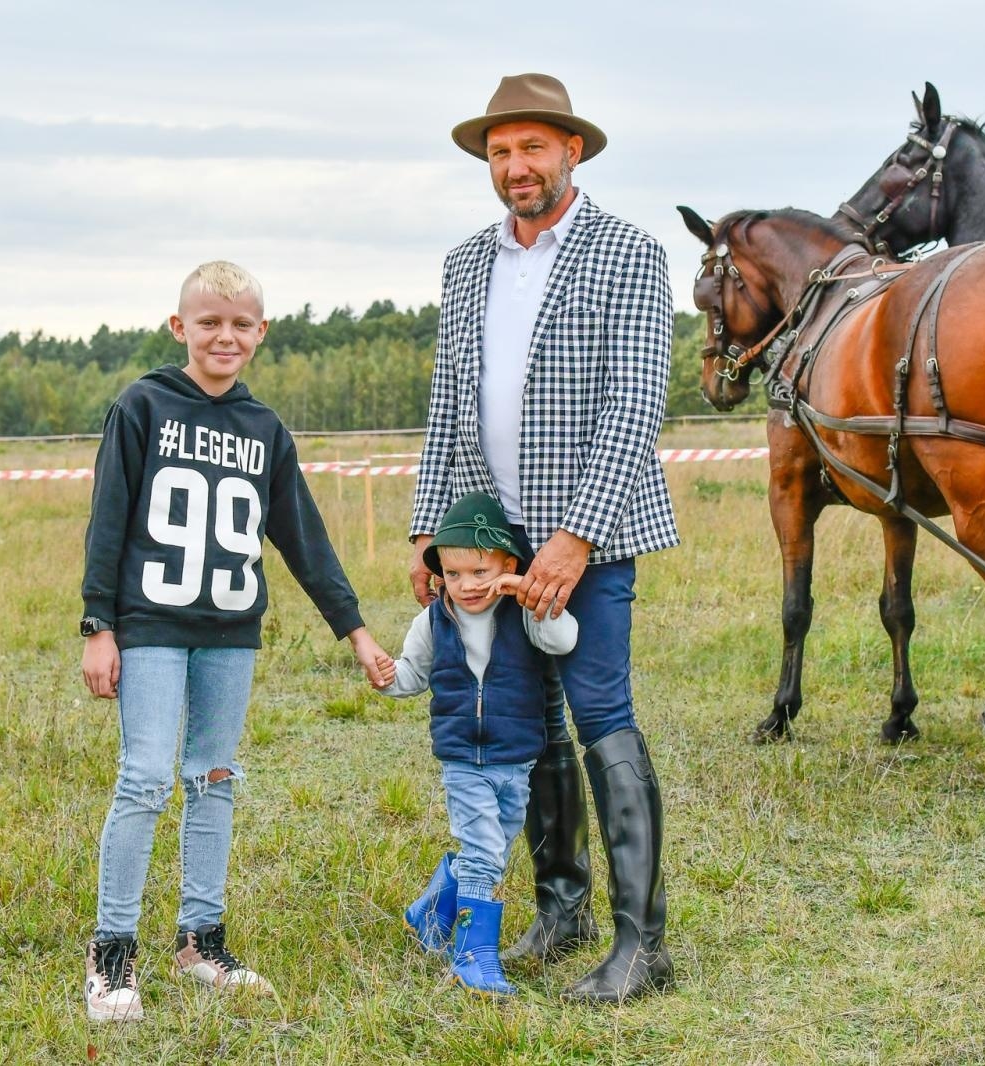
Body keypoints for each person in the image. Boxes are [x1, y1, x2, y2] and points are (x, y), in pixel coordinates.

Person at [408, 73, 679, 1003]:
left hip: (585, 536)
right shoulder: (464, 263)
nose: (515, 167)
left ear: (572, 151)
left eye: (532, 148)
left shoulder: (628, 253)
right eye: (499, 152)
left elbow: (636, 401)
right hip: (490, 539)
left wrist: (577, 537)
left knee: (601, 715)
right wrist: (430, 530)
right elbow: (449, 404)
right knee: (526, 727)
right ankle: (560, 909)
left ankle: (642, 946)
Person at [78, 260, 388, 1022]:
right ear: (179, 327)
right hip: (151, 623)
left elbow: (303, 539)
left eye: (240, 323)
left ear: (261, 333)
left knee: (215, 777)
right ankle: (112, 954)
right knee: (146, 777)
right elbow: (108, 520)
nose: (225, 336)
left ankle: (201, 941)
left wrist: (354, 630)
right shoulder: (143, 404)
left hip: (230, 631)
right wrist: (98, 625)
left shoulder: (264, 428)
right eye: (209, 322)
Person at [370, 492, 578, 997]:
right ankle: (473, 954)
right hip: (463, 756)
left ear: (508, 565)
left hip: (517, 756)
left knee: (496, 846)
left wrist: (526, 592)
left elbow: (565, 638)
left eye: (481, 572)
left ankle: (429, 912)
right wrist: (387, 677)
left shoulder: (524, 615)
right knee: (483, 849)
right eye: (454, 574)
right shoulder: (433, 621)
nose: (466, 586)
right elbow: (413, 674)